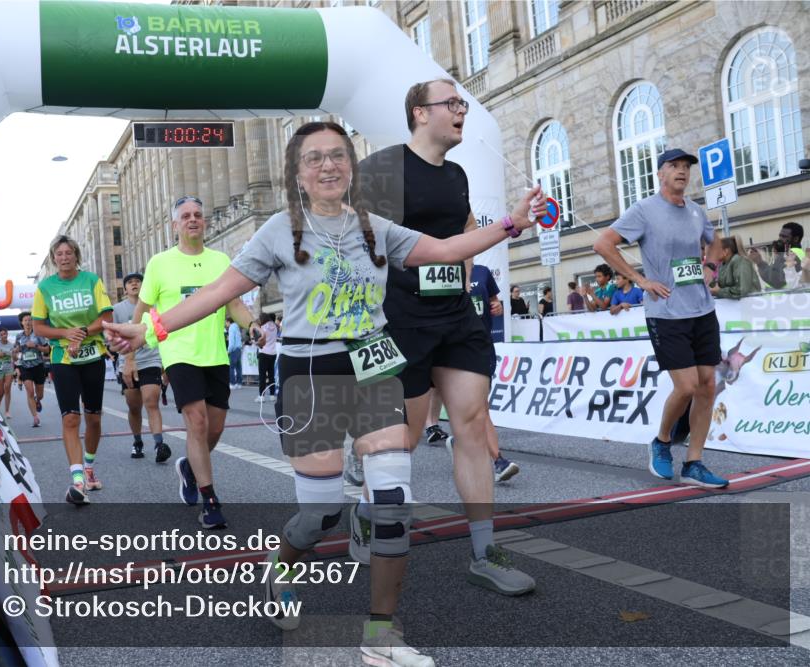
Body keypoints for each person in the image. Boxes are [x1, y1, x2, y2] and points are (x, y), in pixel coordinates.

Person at [104, 121, 545, 665]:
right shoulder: (279, 230)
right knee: (322, 513)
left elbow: (448, 248)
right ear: (298, 172)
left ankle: (381, 636)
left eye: (337, 155)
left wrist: (511, 223)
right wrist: (149, 330)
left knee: (393, 505)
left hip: (374, 367)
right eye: (314, 158)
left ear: (351, 167)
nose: (328, 165)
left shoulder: (375, 228)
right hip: (310, 373)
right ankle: (280, 565)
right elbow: (219, 291)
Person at [356, 77, 537, 598]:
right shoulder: (384, 168)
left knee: (472, 425)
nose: (462, 111)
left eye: (463, 103)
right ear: (420, 113)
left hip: (456, 318)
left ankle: (485, 552)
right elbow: (360, 244)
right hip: (399, 320)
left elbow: (465, 231)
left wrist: (466, 277)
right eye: (452, 103)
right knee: (405, 440)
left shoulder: (457, 174)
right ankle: (367, 510)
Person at [594, 147, 729, 488]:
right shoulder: (644, 210)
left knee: (707, 385)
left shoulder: (696, 211)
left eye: (686, 167)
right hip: (666, 312)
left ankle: (694, 462)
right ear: (660, 173)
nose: (682, 171)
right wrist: (640, 280)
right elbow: (604, 244)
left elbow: (716, 243)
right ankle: (662, 440)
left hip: (702, 310)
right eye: (674, 166)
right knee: (686, 386)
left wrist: (710, 269)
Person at [131, 195, 256, 530]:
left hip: (214, 354)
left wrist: (253, 325)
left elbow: (234, 304)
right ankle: (210, 501)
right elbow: (140, 312)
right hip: (178, 353)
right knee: (196, 422)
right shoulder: (160, 263)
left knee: (214, 429)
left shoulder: (220, 260)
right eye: (185, 215)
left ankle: (189, 468)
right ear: (175, 225)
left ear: (204, 222)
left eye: (198, 214)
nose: (192, 219)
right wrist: (130, 355)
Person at [32, 235, 113, 505]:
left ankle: (89, 467)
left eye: (68, 253)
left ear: (76, 255)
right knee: (70, 419)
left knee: (94, 419)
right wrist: (66, 334)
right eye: (59, 254)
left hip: (92, 355)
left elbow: (106, 318)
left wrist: (81, 333)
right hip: (62, 357)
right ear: (53, 258)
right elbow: (39, 327)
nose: (64, 257)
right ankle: (78, 481)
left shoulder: (92, 281)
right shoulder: (45, 288)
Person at [113, 271, 171, 462]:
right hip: (127, 364)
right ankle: (137, 441)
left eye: (138, 281)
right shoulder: (117, 310)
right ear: (125, 289)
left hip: (151, 360)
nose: (134, 284)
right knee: (134, 406)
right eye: (130, 282)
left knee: (151, 401)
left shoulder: (154, 307)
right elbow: (111, 336)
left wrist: (166, 364)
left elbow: (164, 333)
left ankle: (159, 444)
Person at [469, 264, 519, 482]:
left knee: (478, 406)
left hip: (483, 345)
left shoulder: (482, 271)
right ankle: (499, 461)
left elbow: (494, 301)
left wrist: (497, 306)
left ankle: (461, 441)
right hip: (455, 346)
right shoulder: (443, 268)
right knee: (480, 406)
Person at [15, 311, 50, 427]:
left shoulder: (38, 334)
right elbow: (15, 352)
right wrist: (15, 352)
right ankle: (35, 417)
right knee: (30, 391)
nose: (28, 322)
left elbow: (47, 350)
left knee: (40, 395)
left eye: (30, 320)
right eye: (25, 320)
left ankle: (37, 400)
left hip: (38, 366)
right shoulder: (19, 336)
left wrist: (35, 346)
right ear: (22, 323)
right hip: (25, 367)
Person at [747, 222, 803, 289]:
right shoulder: (796, 253)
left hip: (784, 295)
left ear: (796, 239)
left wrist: (760, 262)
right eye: (780, 236)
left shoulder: (791, 255)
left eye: (784, 237)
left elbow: (776, 281)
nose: (779, 239)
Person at [253, 313, 279, 402]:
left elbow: (258, 340)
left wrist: (255, 342)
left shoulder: (263, 327)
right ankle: (272, 395)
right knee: (271, 375)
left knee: (262, 376)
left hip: (263, 352)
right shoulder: (275, 327)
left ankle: (261, 396)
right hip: (273, 353)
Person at [226, 317, 243, 389]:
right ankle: (239, 383)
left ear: (228, 322)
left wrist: (228, 350)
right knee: (238, 367)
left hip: (233, 349)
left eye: (226, 322)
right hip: (239, 349)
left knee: (231, 367)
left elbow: (232, 342)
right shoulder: (237, 327)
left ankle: (232, 383)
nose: (225, 324)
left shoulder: (231, 328)